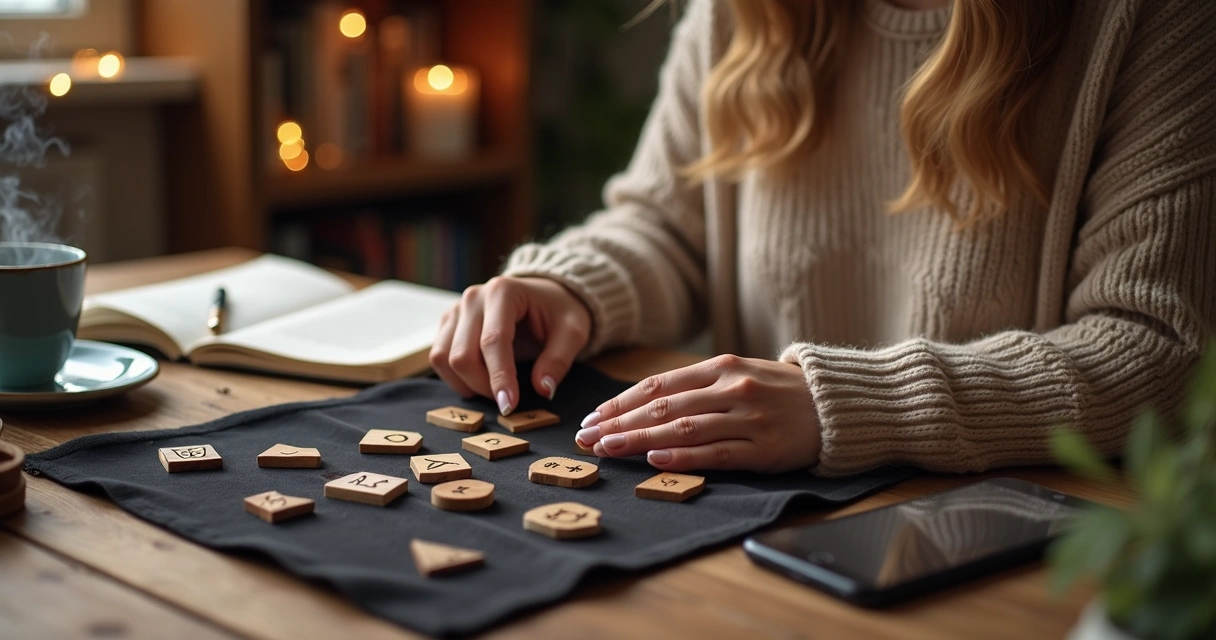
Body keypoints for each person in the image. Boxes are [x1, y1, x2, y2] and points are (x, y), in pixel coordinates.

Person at [429, 0, 1216, 476]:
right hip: (757, 529)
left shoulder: (1151, 22)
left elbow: (1160, 351)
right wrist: (566, 287)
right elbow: (667, 227)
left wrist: (842, 404)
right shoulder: (742, 11)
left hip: (1003, 551)